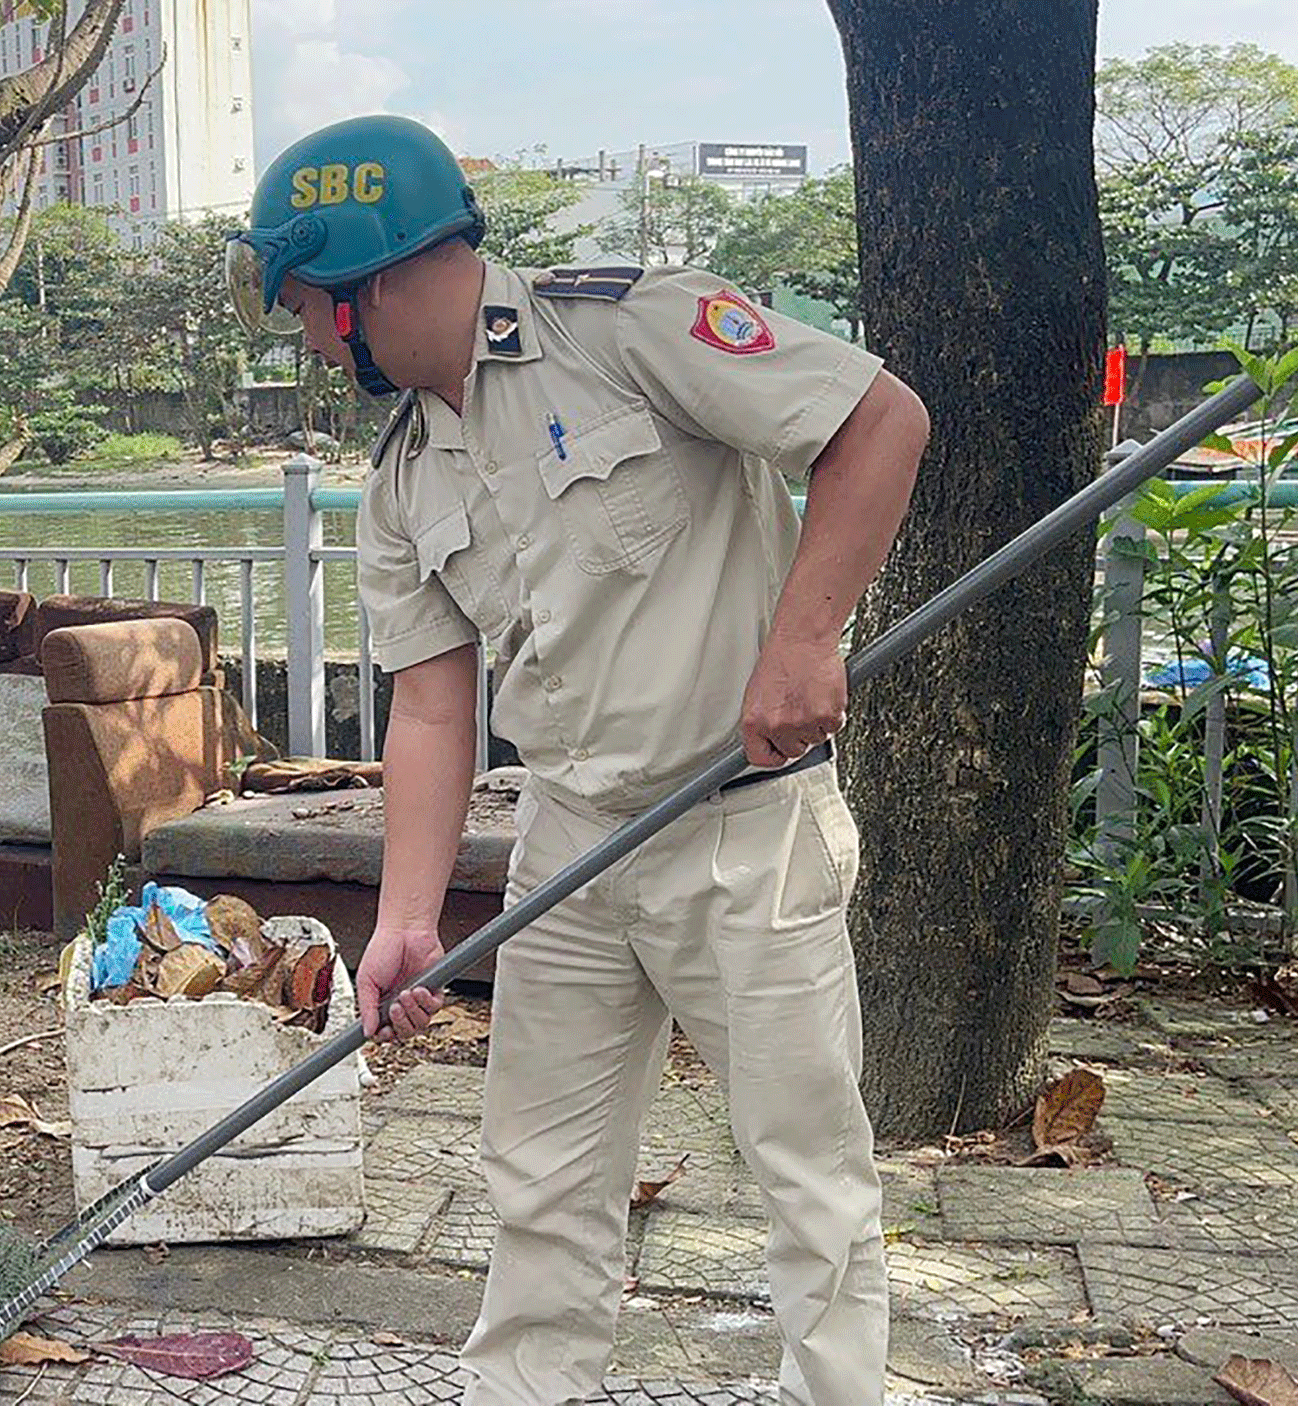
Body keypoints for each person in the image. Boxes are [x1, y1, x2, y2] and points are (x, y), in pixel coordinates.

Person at [226, 116, 929, 1404]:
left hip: (744, 824)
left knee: (805, 1168)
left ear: (367, 285)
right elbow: (432, 715)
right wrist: (402, 918)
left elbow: (877, 419)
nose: (317, 347)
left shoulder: (627, 329)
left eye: (311, 310)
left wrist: (804, 641)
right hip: (569, 838)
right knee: (539, 1172)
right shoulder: (397, 479)